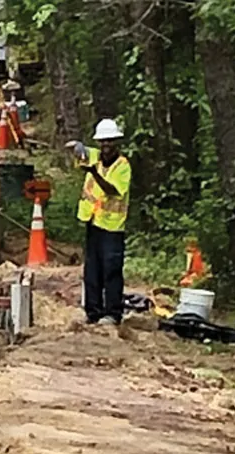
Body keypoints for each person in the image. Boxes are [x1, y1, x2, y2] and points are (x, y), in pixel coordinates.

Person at [71, 118, 131, 325]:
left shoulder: (123, 166)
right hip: (93, 221)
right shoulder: (96, 157)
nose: (106, 146)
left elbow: (113, 190)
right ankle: (93, 311)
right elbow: (85, 153)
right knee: (92, 270)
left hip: (112, 227)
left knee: (111, 269)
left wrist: (94, 173)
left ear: (117, 142)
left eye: (110, 141)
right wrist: (78, 148)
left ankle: (113, 312)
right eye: (103, 142)